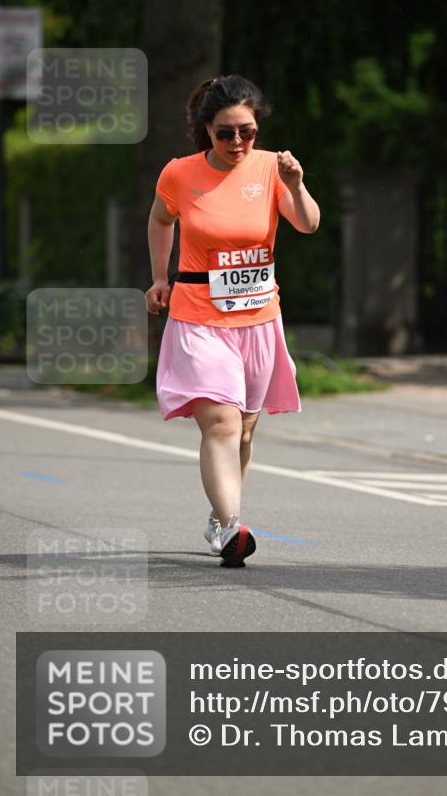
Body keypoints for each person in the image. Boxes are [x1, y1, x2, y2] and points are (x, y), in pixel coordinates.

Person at [145, 74, 320, 567]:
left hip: (260, 317)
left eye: (247, 130)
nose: (238, 142)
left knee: (243, 431)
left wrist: (297, 184)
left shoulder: (271, 170)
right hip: (198, 315)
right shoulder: (179, 174)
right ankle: (231, 530)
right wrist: (160, 277)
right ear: (207, 129)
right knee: (219, 422)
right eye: (226, 133)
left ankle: (221, 519)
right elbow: (161, 219)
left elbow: (308, 224)